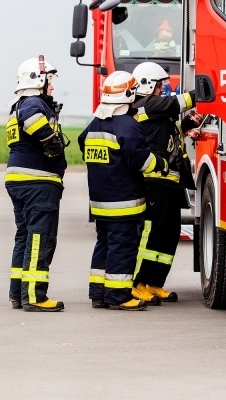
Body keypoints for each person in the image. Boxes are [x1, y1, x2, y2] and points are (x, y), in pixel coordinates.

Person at [79, 71, 169, 311]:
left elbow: (81, 141)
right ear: (129, 94)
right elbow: (142, 161)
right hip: (124, 201)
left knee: (104, 245)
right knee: (123, 246)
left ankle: (98, 293)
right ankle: (118, 296)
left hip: (99, 201)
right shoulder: (128, 125)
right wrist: (161, 164)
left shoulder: (96, 122)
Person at [130, 62, 200, 304]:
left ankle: (155, 282)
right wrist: (201, 93)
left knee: (169, 234)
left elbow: (170, 130)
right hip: (153, 183)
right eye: (160, 85)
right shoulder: (144, 104)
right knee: (152, 234)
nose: (163, 90)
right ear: (148, 84)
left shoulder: (156, 110)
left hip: (169, 183)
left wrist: (189, 123)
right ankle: (137, 283)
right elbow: (174, 104)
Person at [5, 55, 67, 312]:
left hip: (20, 180)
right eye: (49, 81)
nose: (52, 87)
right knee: (41, 238)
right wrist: (50, 138)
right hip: (37, 182)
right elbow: (33, 120)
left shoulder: (16, 105)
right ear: (37, 80)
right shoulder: (32, 103)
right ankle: (34, 296)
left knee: (25, 236)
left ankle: (18, 293)